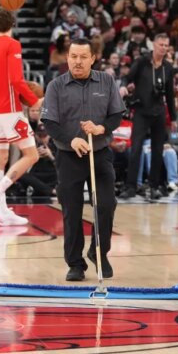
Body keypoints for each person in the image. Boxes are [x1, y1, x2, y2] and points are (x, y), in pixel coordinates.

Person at [41, 38, 126, 281]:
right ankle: (75, 264)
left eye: (82, 57)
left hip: (100, 154)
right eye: (73, 56)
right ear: (67, 58)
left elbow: (116, 115)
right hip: (69, 157)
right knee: (72, 210)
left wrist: (101, 128)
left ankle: (99, 252)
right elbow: (50, 123)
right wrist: (71, 140)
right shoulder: (56, 86)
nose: (77, 61)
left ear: (92, 59)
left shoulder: (107, 81)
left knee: (107, 205)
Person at [0, 8, 43, 226]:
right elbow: (16, 80)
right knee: (32, 155)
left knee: (1, 158)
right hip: (10, 109)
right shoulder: (13, 44)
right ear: (13, 24)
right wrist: (35, 101)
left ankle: (2, 213)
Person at [118, 33, 177, 200]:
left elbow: (171, 95)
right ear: (154, 44)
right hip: (141, 112)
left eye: (166, 45)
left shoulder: (168, 67)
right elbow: (127, 78)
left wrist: (172, 118)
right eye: (161, 45)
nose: (163, 48)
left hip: (158, 113)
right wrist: (124, 87)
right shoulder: (143, 62)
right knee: (135, 149)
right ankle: (130, 186)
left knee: (158, 151)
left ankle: (153, 186)